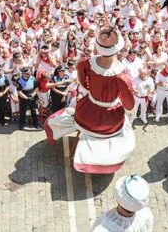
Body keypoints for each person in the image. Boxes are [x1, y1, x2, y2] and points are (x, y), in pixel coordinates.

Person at [44, 28, 135, 174]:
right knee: (125, 122)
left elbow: (83, 83)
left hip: (88, 108)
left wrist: (95, 90)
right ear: (118, 49)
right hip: (109, 117)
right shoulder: (122, 77)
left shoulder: (86, 63)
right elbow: (129, 104)